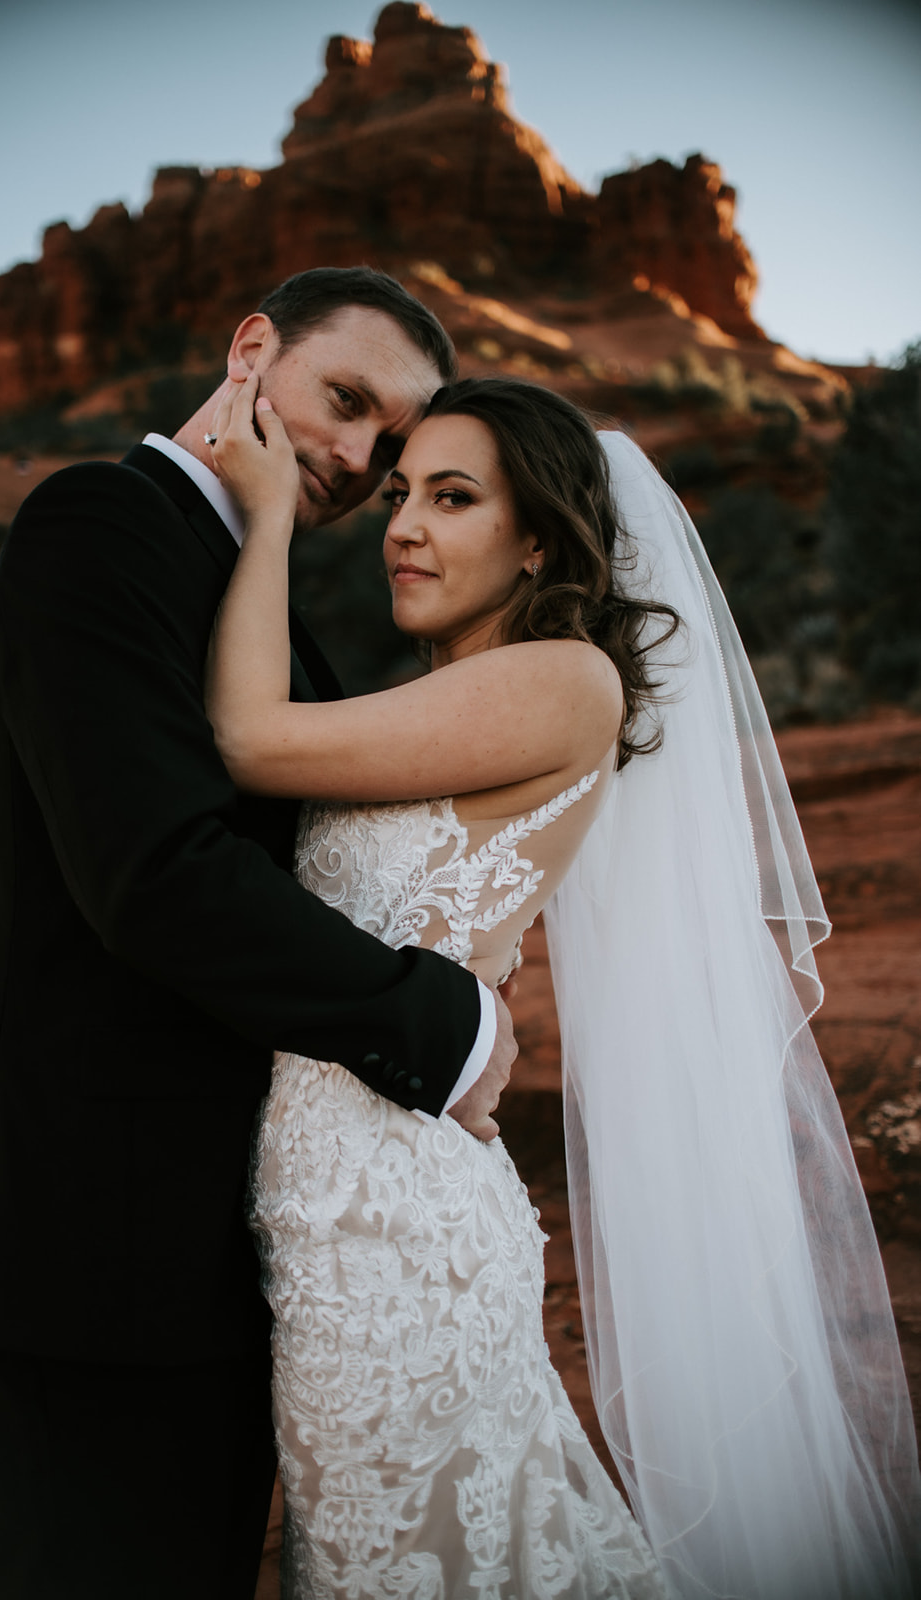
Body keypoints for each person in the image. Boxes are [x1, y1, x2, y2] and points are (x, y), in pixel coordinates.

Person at [207, 374, 921, 1598]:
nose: (403, 526)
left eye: (452, 496)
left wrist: (267, 514)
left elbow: (252, 741)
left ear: (537, 537)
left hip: (395, 1232)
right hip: (330, 1206)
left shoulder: (562, 678)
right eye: (397, 494)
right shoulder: (441, 698)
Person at [0, 269, 520, 1600]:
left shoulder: (258, 594)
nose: (358, 458)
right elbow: (155, 876)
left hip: (214, 1265)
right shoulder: (98, 523)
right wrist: (443, 1026)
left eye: (395, 449)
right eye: (345, 400)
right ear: (251, 350)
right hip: (87, 1262)